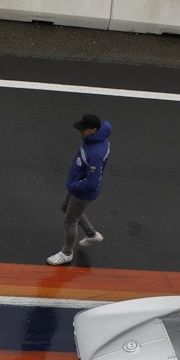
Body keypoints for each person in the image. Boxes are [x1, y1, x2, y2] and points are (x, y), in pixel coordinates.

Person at [47, 113, 111, 266]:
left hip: (82, 192)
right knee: (65, 207)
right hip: (77, 184)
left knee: (70, 221)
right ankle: (92, 234)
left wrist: (74, 185)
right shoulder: (94, 139)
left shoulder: (95, 152)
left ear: (94, 130)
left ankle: (67, 253)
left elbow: (92, 183)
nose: (80, 131)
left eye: (84, 129)